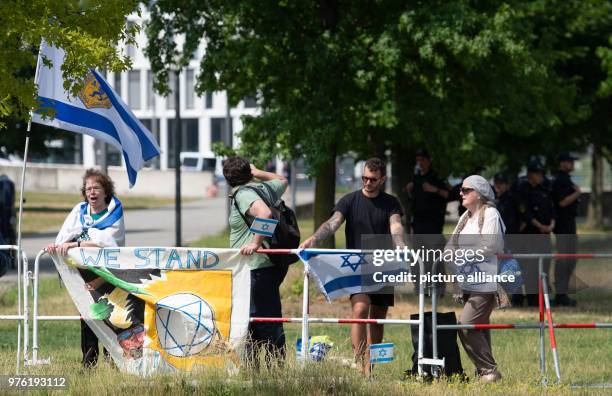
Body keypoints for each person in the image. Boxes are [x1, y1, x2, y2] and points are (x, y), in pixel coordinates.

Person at [300, 157, 405, 374]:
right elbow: (333, 223)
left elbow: (396, 225)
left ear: (382, 179)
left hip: (383, 265)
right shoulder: (349, 200)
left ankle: (371, 366)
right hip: (356, 266)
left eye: (373, 179)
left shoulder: (391, 202)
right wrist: (314, 239)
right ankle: (358, 363)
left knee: (377, 318)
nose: (367, 182)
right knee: (360, 310)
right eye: (365, 178)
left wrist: (401, 244)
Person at [46, 169, 125, 367]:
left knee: (110, 315)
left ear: (105, 191)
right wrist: (55, 247)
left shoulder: (115, 212)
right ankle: (88, 362)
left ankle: (113, 361)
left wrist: (77, 244)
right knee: (87, 315)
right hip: (83, 274)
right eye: (88, 188)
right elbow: (64, 238)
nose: (92, 192)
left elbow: (108, 242)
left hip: (107, 274)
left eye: (96, 188)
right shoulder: (79, 211)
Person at [223, 157, 289, 367]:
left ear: (227, 178)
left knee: (255, 321)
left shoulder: (244, 194)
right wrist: (259, 172)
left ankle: (265, 370)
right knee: (267, 319)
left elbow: (266, 214)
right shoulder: (263, 189)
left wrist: (255, 242)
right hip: (267, 266)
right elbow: (282, 180)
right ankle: (268, 368)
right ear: (249, 174)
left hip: (254, 269)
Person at [446, 175, 505, 383]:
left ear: (479, 194)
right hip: (468, 281)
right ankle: (485, 373)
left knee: (466, 324)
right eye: (461, 190)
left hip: (488, 280)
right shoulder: (464, 217)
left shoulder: (490, 213)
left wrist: (462, 254)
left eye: (466, 190)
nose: (460, 193)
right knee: (479, 326)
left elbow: (491, 246)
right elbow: (450, 247)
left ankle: (489, 371)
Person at [515, 160, 555, 307]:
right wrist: (540, 226)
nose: (540, 176)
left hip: (544, 235)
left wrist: (551, 225)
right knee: (531, 267)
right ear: (530, 174)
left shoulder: (543, 190)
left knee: (544, 266)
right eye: (537, 173)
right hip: (530, 235)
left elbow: (551, 210)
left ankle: (543, 297)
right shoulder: (523, 191)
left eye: (541, 173)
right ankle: (532, 299)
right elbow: (525, 213)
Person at [551, 153, 580, 306]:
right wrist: (577, 193)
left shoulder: (565, 179)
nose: (572, 164)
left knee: (570, 259)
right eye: (569, 162)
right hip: (564, 226)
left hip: (568, 224)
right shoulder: (560, 180)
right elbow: (562, 202)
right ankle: (561, 295)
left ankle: (562, 293)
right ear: (562, 163)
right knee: (565, 260)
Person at [405, 149, 449, 234]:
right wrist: (409, 191)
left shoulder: (436, 176)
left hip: (433, 223)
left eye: (422, 160)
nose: (420, 163)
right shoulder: (415, 178)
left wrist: (435, 189)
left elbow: (447, 194)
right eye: (418, 160)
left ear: (429, 161)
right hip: (418, 222)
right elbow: (412, 199)